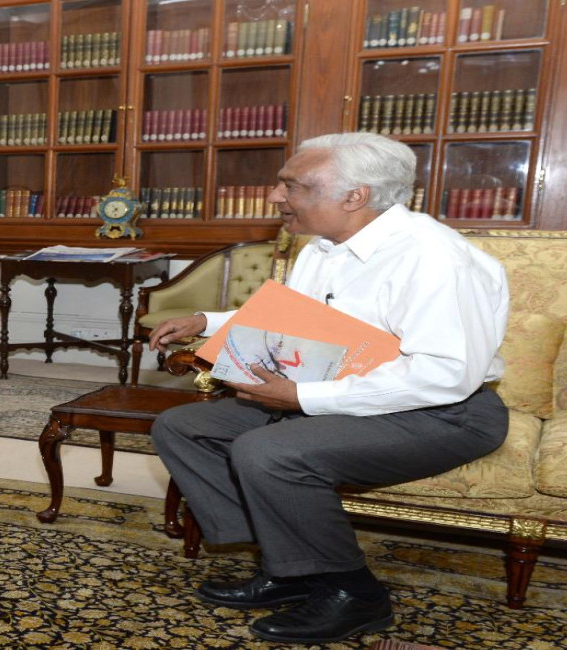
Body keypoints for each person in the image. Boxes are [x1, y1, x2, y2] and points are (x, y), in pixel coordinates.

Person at [147, 132, 509, 644]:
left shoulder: (435, 259)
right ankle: (290, 567)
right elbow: (290, 321)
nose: (275, 196)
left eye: (292, 185)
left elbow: (445, 374)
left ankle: (356, 594)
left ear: (354, 196)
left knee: (268, 452)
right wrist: (207, 320)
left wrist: (301, 398)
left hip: (445, 413)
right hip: (344, 393)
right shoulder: (323, 246)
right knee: (183, 427)